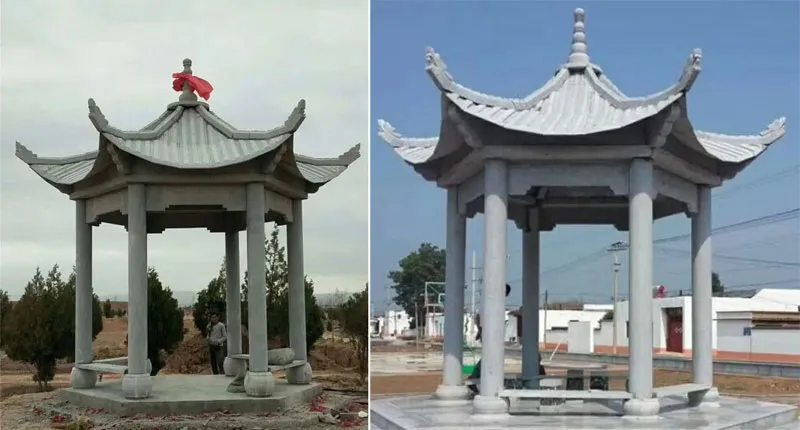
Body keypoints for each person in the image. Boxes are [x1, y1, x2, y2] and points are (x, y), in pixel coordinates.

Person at [468, 284, 546, 393]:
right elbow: (479, 317)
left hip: (491, 332)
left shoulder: (494, 302)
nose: (505, 296)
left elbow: (479, 318)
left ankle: (479, 376)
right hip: (488, 332)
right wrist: (481, 332)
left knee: (491, 355)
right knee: (490, 355)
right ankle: (478, 377)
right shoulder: (490, 302)